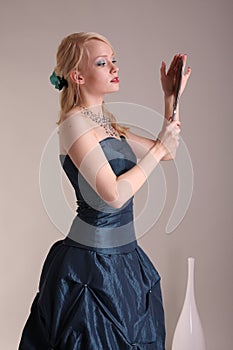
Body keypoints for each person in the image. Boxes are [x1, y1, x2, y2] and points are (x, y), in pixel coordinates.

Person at [19, 32, 191, 349]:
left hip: (124, 258)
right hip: (92, 262)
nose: (113, 67)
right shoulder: (73, 124)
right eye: (102, 62)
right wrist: (156, 151)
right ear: (78, 76)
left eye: (113, 60)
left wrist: (171, 100)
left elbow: (167, 152)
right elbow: (113, 194)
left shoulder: (108, 125)